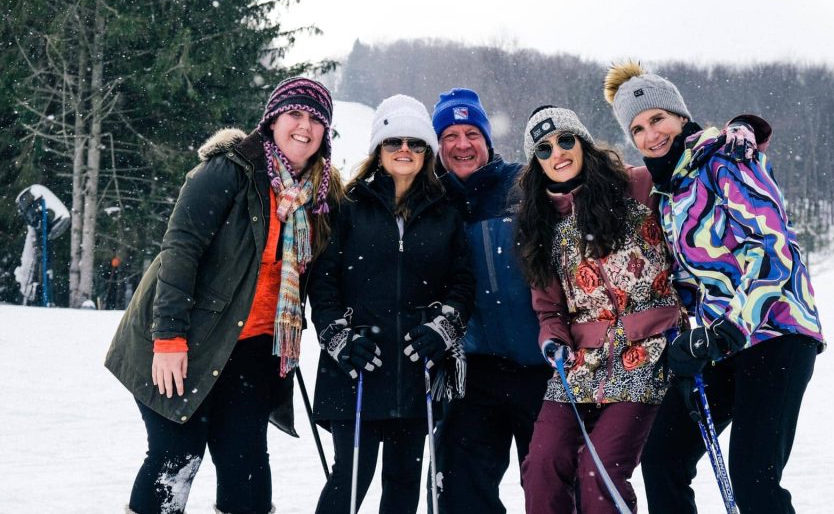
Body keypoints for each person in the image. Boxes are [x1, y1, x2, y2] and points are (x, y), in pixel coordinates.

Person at [105, 76, 342, 514]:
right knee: (177, 454)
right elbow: (180, 251)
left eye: (316, 119)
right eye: (294, 114)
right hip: (183, 337)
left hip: (253, 349)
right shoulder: (229, 171)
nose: (304, 127)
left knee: (246, 467)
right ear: (272, 121)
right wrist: (170, 339)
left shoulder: (321, 197)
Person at [603, 61, 825, 514]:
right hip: (719, 344)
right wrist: (689, 338)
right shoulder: (666, 194)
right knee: (662, 454)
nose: (651, 135)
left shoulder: (725, 160)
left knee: (754, 478)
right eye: (638, 127)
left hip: (775, 332)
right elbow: (688, 281)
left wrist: (729, 328)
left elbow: (772, 249)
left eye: (658, 119)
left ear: (680, 118)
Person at [513, 105, 684, 513]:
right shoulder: (540, 225)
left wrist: (742, 135)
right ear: (536, 162)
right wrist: (553, 342)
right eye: (544, 148)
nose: (558, 152)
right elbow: (549, 311)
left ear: (584, 143)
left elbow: (695, 169)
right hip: (580, 363)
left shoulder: (638, 186)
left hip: (649, 350)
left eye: (566, 140)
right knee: (541, 466)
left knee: (599, 471)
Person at [308, 94, 475, 514]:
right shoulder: (347, 207)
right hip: (358, 366)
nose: (405, 150)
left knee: (402, 485)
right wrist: (338, 338)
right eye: (394, 142)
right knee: (350, 480)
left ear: (427, 153)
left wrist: (444, 328)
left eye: (415, 143)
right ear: (378, 150)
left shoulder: (446, 212)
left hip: (415, 368)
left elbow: (462, 283)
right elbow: (323, 284)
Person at [429, 88, 553, 514]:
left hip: (542, 366)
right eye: (449, 135)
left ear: (487, 138)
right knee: (460, 489)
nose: (462, 144)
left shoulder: (524, 184)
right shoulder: (431, 202)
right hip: (472, 371)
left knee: (553, 486)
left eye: (471, 133)